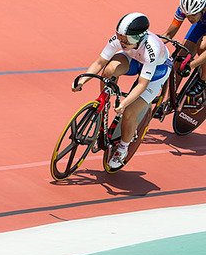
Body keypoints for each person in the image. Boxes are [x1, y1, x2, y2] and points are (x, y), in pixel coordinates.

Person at [73, 12, 172, 169]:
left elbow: (142, 84)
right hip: (133, 58)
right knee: (109, 70)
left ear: (139, 37)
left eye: (126, 39)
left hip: (156, 70)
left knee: (130, 111)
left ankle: (123, 149)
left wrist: (125, 102)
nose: (122, 41)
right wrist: (83, 80)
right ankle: (104, 102)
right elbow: (99, 62)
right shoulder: (120, 40)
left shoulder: (150, 49)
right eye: (119, 37)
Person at [161, 0, 206, 96]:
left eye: (192, 15)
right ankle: (169, 101)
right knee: (180, 58)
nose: (189, 18)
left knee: (202, 47)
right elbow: (168, 35)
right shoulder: (184, 9)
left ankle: (203, 80)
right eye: (186, 15)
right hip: (201, 24)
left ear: (203, 9)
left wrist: (191, 65)